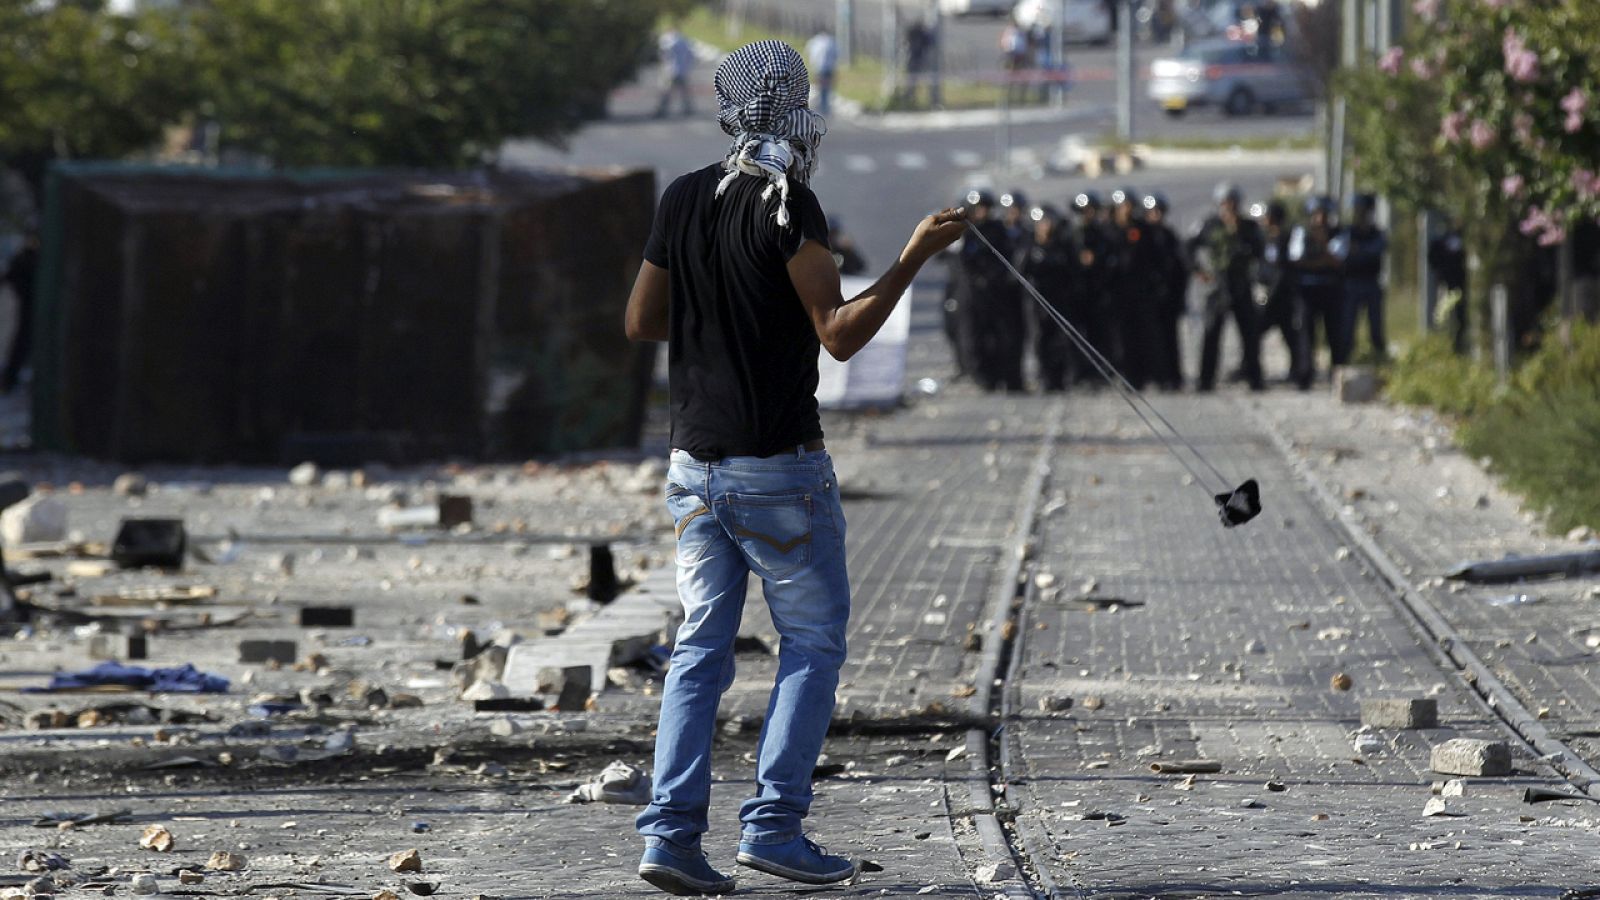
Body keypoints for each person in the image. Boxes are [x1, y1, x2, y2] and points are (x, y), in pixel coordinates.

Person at [622, 40, 967, 896]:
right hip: (778, 471)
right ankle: (773, 827)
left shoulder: (684, 197)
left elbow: (642, 321)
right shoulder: (790, 207)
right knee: (810, 645)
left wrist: (717, 313)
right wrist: (914, 255)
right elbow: (840, 334)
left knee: (699, 651)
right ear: (794, 111)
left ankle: (670, 837)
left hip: (694, 469)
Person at [1189, 182, 1265, 392]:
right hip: (1217, 287)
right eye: (1225, 202)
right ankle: (1206, 380)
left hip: (1240, 286)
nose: (1229, 206)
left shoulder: (1249, 227)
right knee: (1211, 334)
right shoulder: (1209, 224)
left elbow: (1260, 251)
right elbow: (1188, 247)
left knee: (1249, 336)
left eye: (1232, 202)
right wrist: (1199, 271)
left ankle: (1254, 378)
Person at [957, 190, 1025, 391]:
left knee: (1003, 338)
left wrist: (993, 277)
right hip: (973, 295)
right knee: (975, 338)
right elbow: (962, 262)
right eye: (978, 208)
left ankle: (1005, 377)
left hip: (998, 293)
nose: (982, 212)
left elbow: (1007, 257)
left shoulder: (998, 230)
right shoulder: (965, 232)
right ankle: (984, 377)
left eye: (985, 208)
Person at [1106, 187, 1164, 389]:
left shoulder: (1142, 230)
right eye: (1123, 206)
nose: (1126, 210)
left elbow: (1155, 260)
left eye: (1129, 206)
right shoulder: (1109, 230)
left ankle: (1145, 376)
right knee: (1121, 338)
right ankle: (1125, 375)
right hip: (1117, 295)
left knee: (1144, 336)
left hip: (1141, 293)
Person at [1019, 204, 1081, 391]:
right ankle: (1045, 378)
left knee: (1062, 341)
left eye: (1048, 223)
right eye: (1042, 223)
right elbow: (1020, 273)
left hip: (1060, 300)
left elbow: (1072, 273)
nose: (1045, 226)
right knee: (1040, 340)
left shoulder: (1062, 246)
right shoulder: (1029, 248)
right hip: (1037, 304)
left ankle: (1063, 378)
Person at [1255, 201, 1309, 388]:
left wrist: (1272, 294)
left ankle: (1299, 373)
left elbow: (1283, 270)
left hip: (1283, 297)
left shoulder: (1285, 238)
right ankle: (1252, 370)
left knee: (1292, 337)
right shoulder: (1266, 239)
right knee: (1254, 333)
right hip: (1270, 295)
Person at [1289, 195, 1345, 376]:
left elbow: (1337, 260)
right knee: (1306, 332)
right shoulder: (1301, 232)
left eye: (1324, 214)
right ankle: (1305, 373)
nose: (1320, 219)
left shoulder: (1338, 232)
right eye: (1317, 214)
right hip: (1307, 290)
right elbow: (1297, 259)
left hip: (1331, 289)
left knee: (1335, 333)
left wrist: (1322, 245)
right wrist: (1321, 261)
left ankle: (1337, 372)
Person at [1142, 192, 1188, 391]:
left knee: (1170, 339)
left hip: (1168, 298)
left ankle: (1172, 377)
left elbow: (1180, 268)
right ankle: (1155, 376)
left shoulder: (1169, 236)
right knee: (1150, 339)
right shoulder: (1141, 236)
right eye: (1152, 211)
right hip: (1147, 298)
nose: (1156, 215)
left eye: (1158, 211)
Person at [1336, 193, 1388, 362]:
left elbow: (1377, 249)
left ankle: (1379, 359)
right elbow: (1340, 252)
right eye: (1358, 210)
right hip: (1351, 284)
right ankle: (1345, 361)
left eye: (1364, 211)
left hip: (1371, 283)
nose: (1361, 214)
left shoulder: (1377, 233)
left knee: (1376, 329)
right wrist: (1360, 252)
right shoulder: (1347, 232)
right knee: (1347, 329)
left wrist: (1358, 250)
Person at [1072, 191, 1113, 386]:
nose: (1087, 214)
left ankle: (1100, 372)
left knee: (1100, 334)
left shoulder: (1102, 233)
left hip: (1098, 292)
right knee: (1077, 335)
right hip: (1077, 292)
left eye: (1090, 210)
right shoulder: (1072, 233)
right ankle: (1081, 373)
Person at [1, 233, 37, 394]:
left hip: (30, 306)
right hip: (29, 306)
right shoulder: (26, 258)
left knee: (23, 342)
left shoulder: (26, 257)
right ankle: (10, 380)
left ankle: (11, 379)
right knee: (22, 342)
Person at [1427, 218, 1469, 353]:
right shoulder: (1442, 239)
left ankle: (1459, 347)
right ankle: (1450, 347)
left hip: (1464, 285)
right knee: (1448, 317)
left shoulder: (1465, 238)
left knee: (1462, 318)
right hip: (1448, 285)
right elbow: (1433, 258)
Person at [656, 27, 697, 118]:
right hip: (682, 70)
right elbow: (691, 56)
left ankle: (662, 110)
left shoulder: (666, 40)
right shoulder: (684, 41)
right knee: (684, 92)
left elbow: (663, 54)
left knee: (666, 91)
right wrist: (687, 67)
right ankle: (688, 109)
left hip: (670, 70)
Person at [806, 28, 839, 116]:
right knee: (826, 88)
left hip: (818, 69)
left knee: (819, 87)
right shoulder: (831, 42)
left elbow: (810, 54)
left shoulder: (815, 42)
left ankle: (821, 106)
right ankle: (824, 106)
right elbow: (837, 55)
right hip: (828, 69)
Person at [903, 18, 935, 107]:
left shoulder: (920, 35)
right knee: (912, 78)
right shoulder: (914, 33)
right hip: (915, 58)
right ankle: (910, 96)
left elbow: (929, 42)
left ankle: (913, 96)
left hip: (917, 58)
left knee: (914, 78)